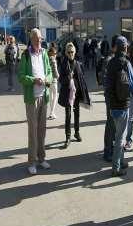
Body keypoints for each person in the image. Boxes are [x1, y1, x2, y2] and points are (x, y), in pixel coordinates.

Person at [18, 28, 53, 175]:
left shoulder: (44, 53)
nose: (39, 40)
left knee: (42, 130)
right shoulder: (25, 55)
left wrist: (47, 80)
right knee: (32, 131)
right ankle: (31, 162)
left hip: (43, 96)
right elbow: (21, 76)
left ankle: (41, 158)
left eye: (40, 38)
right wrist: (34, 80)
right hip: (32, 99)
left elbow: (50, 72)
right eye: (36, 38)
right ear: (31, 39)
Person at [105, 36, 133, 176]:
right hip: (123, 105)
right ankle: (116, 168)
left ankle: (121, 161)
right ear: (125, 48)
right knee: (120, 138)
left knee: (118, 134)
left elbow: (107, 85)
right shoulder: (126, 63)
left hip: (112, 105)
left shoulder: (110, 63)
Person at [58, 42, 91, 148]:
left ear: (75, 52)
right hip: (67, 93)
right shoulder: (63, 64)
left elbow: (82, 78)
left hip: (76, 93)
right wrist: (68, 77)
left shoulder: (78, 64)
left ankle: (76, 132)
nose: (71, 54)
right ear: (66, 53)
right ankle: (68, 137)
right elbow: (61, 80)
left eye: (72, 52)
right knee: (68, 115)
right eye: (69, 52)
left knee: (77, 113)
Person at [102, 35, 118, 162]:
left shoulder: (115, 58)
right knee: (110, 123)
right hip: (111, 97)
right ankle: (108, 150)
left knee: (113, 124)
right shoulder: (109, 60)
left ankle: (111, 147)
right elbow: (105, 81)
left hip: (114, 96)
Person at [47, 47, 59, 120]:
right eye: (54, 53)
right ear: (51, 53)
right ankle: (52, 112)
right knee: (55, 96)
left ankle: (51, 112)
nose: (55, 55)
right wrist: (58, 76)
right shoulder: (53, 59)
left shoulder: (46, 58)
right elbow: (55, 70)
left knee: (50, 96)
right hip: (53, 80)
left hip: (48, 80)